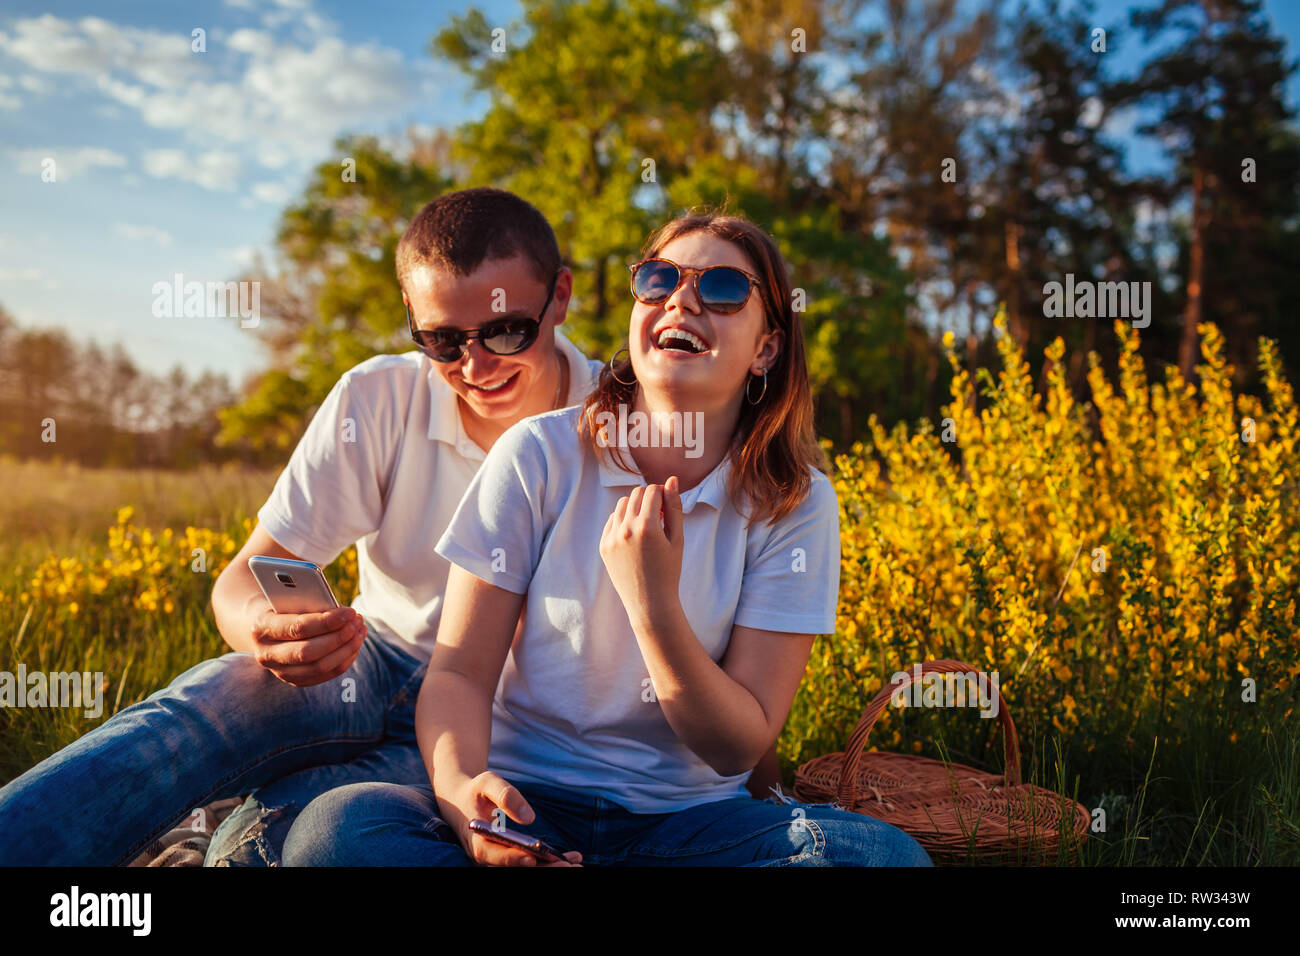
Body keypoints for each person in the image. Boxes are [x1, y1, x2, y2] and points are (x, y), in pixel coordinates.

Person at [0, 188, 789, 866]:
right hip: (370, 654)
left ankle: (213, 840)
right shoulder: (376, 399)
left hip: (498, 713)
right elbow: (245, 574)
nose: (475, 365)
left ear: (560, 298)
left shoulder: (614, 416)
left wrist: (758, 775)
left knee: (293, 826)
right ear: (412, 324)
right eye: (442, 341)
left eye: (505, 330)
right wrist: (267, 628)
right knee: (205, 703)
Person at [281, 211, 934, 866]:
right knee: (339, 830)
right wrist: (466, 808)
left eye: (725, 290)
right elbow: (458, 675)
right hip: (529, 804)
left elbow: (737, 746)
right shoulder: (537, 456)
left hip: (690, 826)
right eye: (658, 280)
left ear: (766, 346)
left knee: (877, 857)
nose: (681, 299)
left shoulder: (795, 502)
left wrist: (652, 606)